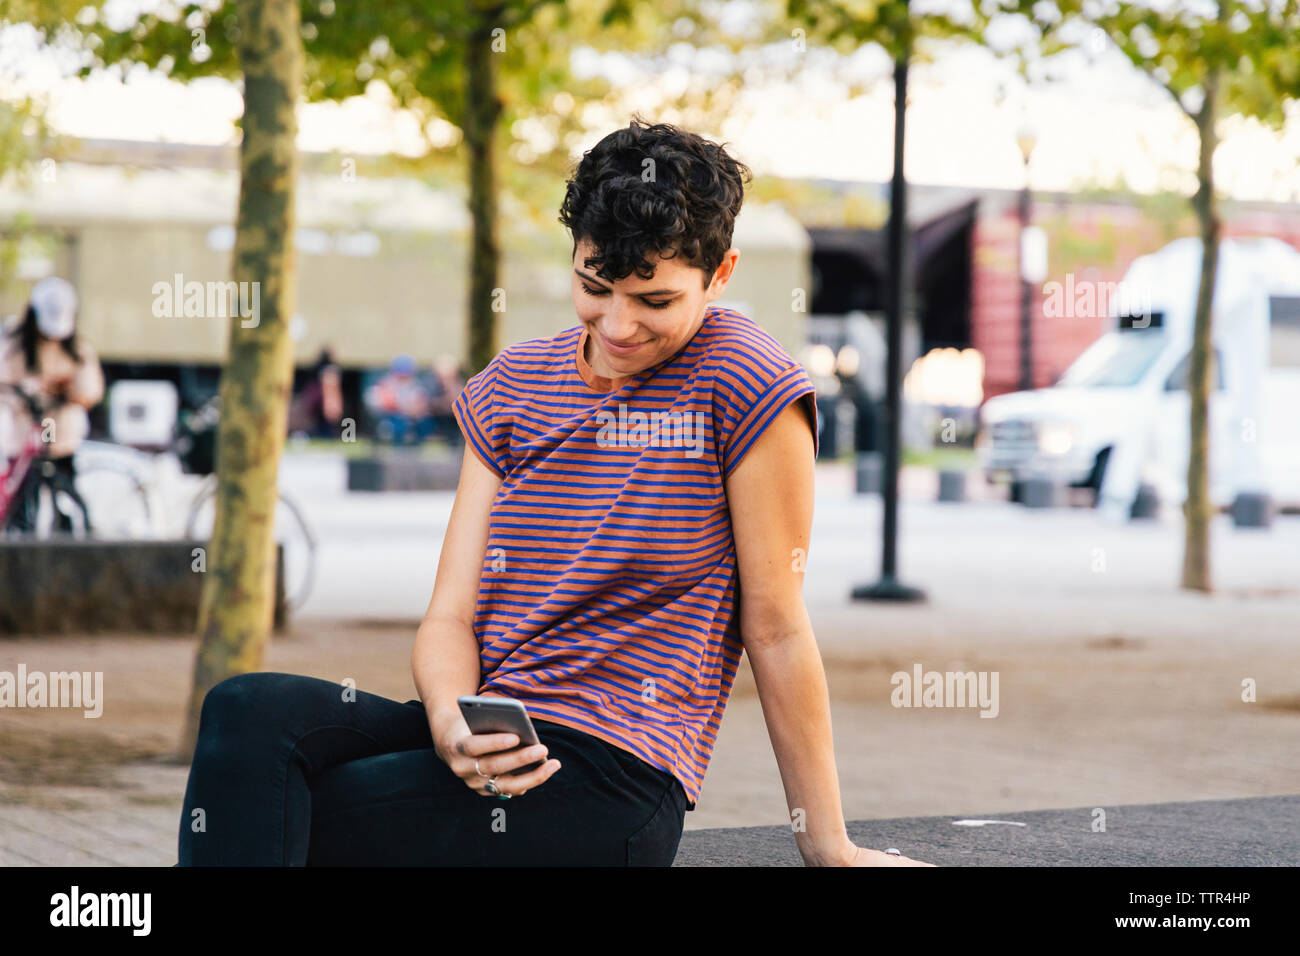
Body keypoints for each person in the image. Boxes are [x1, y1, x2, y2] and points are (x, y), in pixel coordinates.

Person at [177, 119, 932, 867]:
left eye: (656, 301)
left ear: (721, 274)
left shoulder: (746, 380)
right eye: (594, 286)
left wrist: (828, 845)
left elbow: (777, 628)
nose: (619, 324)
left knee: (287, 813)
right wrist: (449, 722)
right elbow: (451, 615)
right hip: (494, 725)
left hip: (612, 776)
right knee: (246, 712)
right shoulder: (514, 384)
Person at [0, 276, 103, 534]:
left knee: (65, 495)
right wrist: (25, 392)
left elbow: (91, 389)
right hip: (25, 435)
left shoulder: (78, 349)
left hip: (62, 436)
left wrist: (69, 391)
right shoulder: (14, 344)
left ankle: (66, 535)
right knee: (22, 499)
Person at [365, 354, 434, 445]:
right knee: (397, 425)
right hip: (389, 419)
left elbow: (420, 406)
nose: (404, 375)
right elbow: (382, 404)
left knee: (425, 423)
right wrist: (402, 406)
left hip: (412, 419)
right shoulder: (385, 384)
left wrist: (409, 408)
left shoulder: (415, 385)